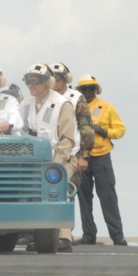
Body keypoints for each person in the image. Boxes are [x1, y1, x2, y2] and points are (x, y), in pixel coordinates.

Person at [21, 63, 77, 253]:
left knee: (57, 188)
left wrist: (55, 165)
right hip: (33, 162)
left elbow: (67, 139)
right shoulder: (26, 104)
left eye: (36, 81)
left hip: (61, 158)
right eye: (29, 81)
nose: (32, 85)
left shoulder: (63, 104)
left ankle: (63, 236)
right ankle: (37, 233)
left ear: (48, 82)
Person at [78, 73, 127, 247]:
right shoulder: (75, 107)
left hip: (101, 156)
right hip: (82, 155)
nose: (87, 92)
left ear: (97, 89)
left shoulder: (106, 107)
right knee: (83, 197)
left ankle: (117, 234)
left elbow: (120, 129)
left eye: (90, 88)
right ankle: (88, 233)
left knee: (108, 196)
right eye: (83, 89)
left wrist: (104, 131)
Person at [51, 62, 95, 194]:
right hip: (50, 154)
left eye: (57, 78)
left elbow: (86, 127)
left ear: (66, 78)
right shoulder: (46, 98)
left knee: (66, 193)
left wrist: (83, 156)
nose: (54, 81)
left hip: (71, 155)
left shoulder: (76, 98)